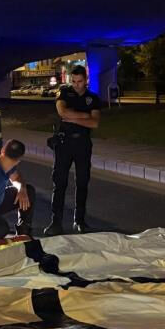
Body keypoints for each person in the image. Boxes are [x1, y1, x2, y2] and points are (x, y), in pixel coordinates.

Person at [44, 65, 101, 235]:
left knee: (82, 182)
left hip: (83, 143)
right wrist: (84, 115)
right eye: (74, 81)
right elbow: (62, 112)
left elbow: (95, 123)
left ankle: (80, 220)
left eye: (80, 81)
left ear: (86, 80)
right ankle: (56, 222)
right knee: (59, 183)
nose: (77, 85)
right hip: (64, 144)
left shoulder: (92, 98)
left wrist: (72, 116)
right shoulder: (65, 93)